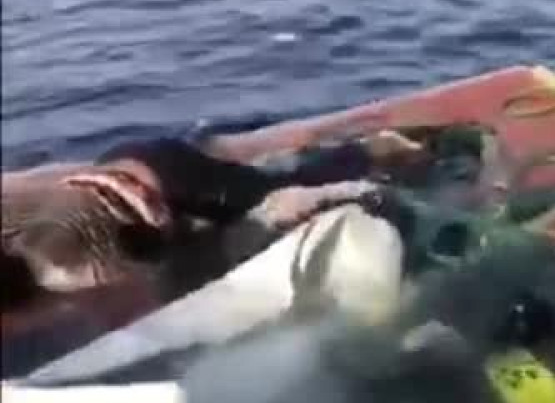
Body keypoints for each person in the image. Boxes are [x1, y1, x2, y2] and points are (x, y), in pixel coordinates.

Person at [1, 128, 429, 308]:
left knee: (277, 188)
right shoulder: (29, 242)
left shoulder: (122, 244)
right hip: (120, 180)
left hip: (172, 178)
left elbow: (163, 266)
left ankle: (371, 149)